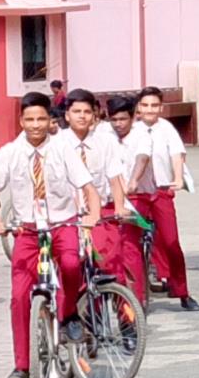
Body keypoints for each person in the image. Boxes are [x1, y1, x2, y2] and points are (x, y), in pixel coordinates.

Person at [0, 93, 101, 378]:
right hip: (28, 231)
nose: (35, 125)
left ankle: (69, 314)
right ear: (21, 121)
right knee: (20, 297)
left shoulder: (63, 150)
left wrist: (93, 215)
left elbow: (87, 187)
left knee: (72, 264)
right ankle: (22, 365)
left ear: (51, 121)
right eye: (29, 119)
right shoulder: (9, 152)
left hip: (62, 225)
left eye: (41, 119)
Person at [59, 90, 142, 296]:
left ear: (94, 115)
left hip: (101, 213)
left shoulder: (105, 142)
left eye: (87, 111)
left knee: (111, 264)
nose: (82, 116)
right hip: (68, 216)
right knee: (70, 268)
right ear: (67, 115)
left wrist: (120, 207)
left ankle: (127, 319)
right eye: (76, 111)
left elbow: (115, 177)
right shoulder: (57, 144)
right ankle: (72, 318)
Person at [124, 87, 199, 311]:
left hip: (160, 192)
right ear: (138, 107)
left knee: (171, 242)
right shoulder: (131, 130)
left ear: (161, 107)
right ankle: (134, 298)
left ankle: (182, 292)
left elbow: (177, 154)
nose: (150, 110)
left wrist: (177, 178)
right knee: (130, 244)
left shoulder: (166, 129)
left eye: (154, 105)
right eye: (145, 105)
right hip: (136, 193)